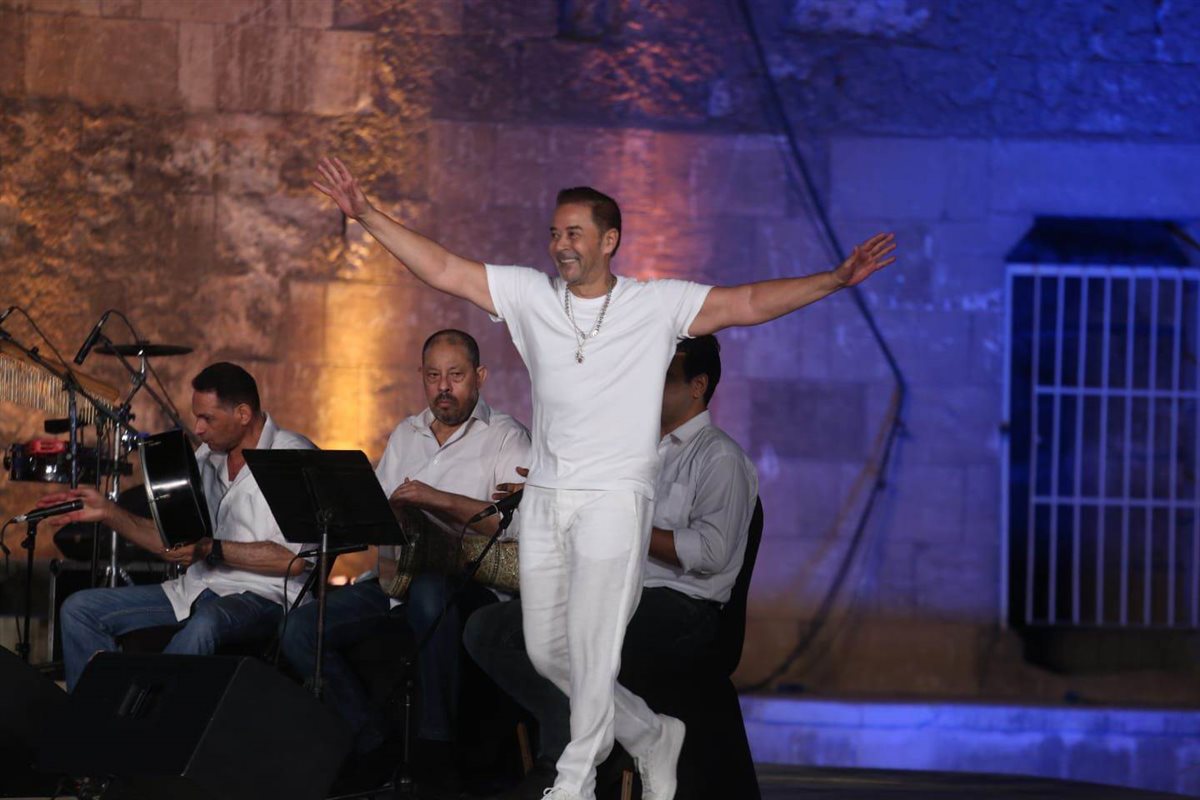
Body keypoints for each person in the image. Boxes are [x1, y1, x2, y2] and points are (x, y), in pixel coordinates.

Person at [313, 156, 894, 800]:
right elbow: (445, 269)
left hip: (615, 499)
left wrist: (833, 280)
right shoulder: (532, 297)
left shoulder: (655, 304)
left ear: (609, 239)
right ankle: (650, 734)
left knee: (593, 648)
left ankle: (576, 779)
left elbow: (746, 302)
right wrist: (367, 215)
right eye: (554, 233)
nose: (560, 244)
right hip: (548, 498)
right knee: (547, 650)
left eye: (574, 233)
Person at [464, 334, 757, 794]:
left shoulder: (720, 457)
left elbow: (711, 552)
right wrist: (544, 497)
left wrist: (625, 521)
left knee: (574, 637)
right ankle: (626, 734)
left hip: (682, 606)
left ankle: (566, 763)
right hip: (616, 588)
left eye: (662, 377)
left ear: (698, 386)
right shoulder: (629, 450)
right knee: (488, 627)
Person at [278, 329, 531, 770]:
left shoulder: (506, 437)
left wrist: (436, 500)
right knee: (297, 629)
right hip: (396, 580)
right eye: (433, 376)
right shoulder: (406, 434)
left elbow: (516, 524)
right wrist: (382, 513)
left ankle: (436, 749)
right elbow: (375, 515)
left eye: (455, 375)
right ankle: (371, 740)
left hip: (468, 586)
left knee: (431, 590)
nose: (443, 387)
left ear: (480, 376)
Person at [45, 362, 315, 690]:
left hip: (266, 597)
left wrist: (210, 548)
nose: (198, 429)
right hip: (196, 589)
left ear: (243, 414)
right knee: (79, 609)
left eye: (207, 418)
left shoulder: (292, 455)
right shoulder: (208, 457)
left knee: (206, 623)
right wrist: (108, 513)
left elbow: (291, 560)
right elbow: (175, 543)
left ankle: (148, 708)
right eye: (197, 417)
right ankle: (96, 714)